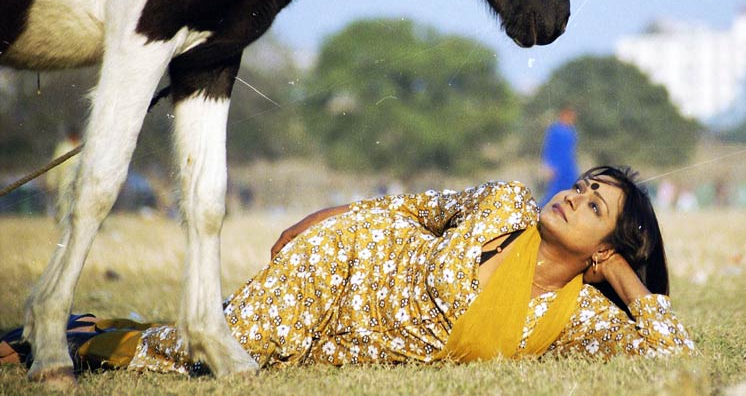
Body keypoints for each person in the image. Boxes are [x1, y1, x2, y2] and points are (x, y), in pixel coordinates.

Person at [1, 166, 694, 374]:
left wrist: (627, 283)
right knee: (214, 356)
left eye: (594, 204)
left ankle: (84, 326)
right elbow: (415, 208)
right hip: (341, 265)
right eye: (582, 184)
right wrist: (326, 216)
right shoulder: (504, 203)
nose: (574, 195)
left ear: (604, 246)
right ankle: (54, 342)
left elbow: (672, 352)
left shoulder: (571, 318)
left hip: (342, 346)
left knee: (226, 355)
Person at [539, 107, 579, 207]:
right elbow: (548, 148)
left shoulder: (571, 132)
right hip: (557, 166)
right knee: (553, 193)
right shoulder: (554, 130)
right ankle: (539, 212)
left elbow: (571, 151)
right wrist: (548, 166)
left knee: (571, 191)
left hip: (569, 167)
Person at [44, 126, 81, 222]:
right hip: (65, 182)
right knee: (65, 205)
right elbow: (55, 166)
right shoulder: (63, 148)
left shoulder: (82, 147)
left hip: (81, 182)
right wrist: (51, 181)